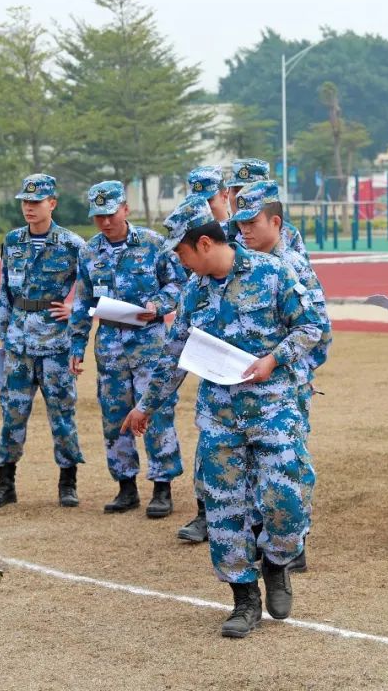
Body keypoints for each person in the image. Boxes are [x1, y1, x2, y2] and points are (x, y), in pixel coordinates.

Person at [121, 196, 321, 638]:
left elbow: (312, 327)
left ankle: (276, 561)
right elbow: (174, 355)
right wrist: (146, 407)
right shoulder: (193, 292)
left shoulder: (273, 273)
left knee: (288, 500)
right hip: (220, 416)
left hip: (274, 408)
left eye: (182, 253)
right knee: (225, 510)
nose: (179, 262)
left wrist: (274, 358)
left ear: (205, 243)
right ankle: (243, 600)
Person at [69, 181, 187, 517]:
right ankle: (125, 486)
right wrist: (76, 344)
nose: (105, 222)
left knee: (154, 412)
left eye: (110, 214)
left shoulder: (152, 244)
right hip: (109, 344)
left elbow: (178, 284)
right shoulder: (90, 252)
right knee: (114, 415)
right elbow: (82, 301)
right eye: (98, 216)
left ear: (125, 210)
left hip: (149, 340)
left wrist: (159, 305)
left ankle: (162, 488)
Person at [233, 180, 333, 572]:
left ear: (275, 221)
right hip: (253, 382)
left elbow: (318, 329)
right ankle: (268, 539)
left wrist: (294, 370)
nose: (244, 231)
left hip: (287, 384)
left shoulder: (291, 265)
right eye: (239, 223)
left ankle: (295, 544)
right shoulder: (246, 263)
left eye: (252, 222)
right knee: (261, 468)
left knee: (290, 465)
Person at [0, 174, 87, 510]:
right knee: (12, 413)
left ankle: (68, 481)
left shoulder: (72, 245)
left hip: (56, 343)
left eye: (36, 202)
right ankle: (5, 483)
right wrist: (3, 336)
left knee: (62, 414)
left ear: (52, 204)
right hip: (18, 342)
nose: (29, 208)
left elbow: (92, 288)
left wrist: (75, 308)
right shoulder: (13, 241)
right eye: (25, 202)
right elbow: (4, 290)